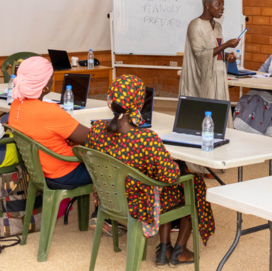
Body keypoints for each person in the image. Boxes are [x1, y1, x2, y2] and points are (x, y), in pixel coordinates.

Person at [87, 75, 215, 267]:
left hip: (109, 199)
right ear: (139, 104)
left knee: (165, 181)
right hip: (140, 205)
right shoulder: (145, 139)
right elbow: (170, 176)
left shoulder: (96, 129)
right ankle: (178, 249)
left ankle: (165, 248)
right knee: (194, 184)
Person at [8, 56, 92, 189]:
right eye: (51, 77)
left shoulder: (16, 104)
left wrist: (69, 139)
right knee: (113, 169)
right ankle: (103, 210)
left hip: (40, 172)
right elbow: (90, 138)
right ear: (46, 86)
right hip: (65, 172)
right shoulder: (49, 111)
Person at [179, 0, 239, 103]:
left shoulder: (218, 27)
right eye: (218, 4)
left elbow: (215, 51)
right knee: (203, 114)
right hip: (201, 80)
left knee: (219, 113)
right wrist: (226, 45)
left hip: (218, 77)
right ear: (207, 5)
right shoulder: (195, 25)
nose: (222, 8)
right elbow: (200, 54)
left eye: (223, 5)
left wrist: (227, 57)